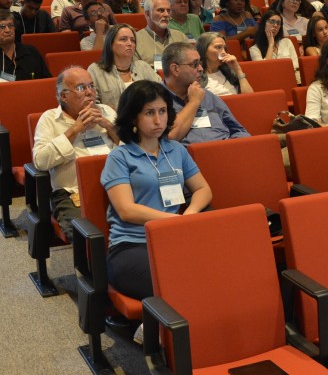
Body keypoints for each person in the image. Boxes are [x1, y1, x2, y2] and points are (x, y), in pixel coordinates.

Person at [101, 80, 212, 300]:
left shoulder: (175, 150)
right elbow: (126, 210)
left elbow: (203, 189)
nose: (158, 120)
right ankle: (153, 331)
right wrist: (174, 221)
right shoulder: (120, 157)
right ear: (133, 117)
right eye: (149, 113)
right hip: (132, 245)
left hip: (173, 238)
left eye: (162, 111)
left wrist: (189, 215)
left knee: (216, 272)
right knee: (175, 283)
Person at [33, 67, 119, 240]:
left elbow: (133, 149)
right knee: (87, 239)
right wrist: (75, 130)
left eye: (91, 86)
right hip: (74, 194)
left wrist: (108, 126)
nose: (90, 93)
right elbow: (40, 161)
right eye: (81, 88)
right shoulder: (49, 120)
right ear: (63, 96)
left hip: (118, 186)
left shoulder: (107, 112)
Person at [162, 42, 250, 144]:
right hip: (193, 157)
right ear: (175, 69)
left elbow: (239, 131)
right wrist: (194, 102)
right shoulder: (157, 101)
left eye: (200, 63)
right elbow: (169, 138)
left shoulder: (207, 95)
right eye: (194, 64)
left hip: (227, 151)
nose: (201, 68)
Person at [88, 24, 161, 110]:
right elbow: (91, 104)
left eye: (133, 40)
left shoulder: (143, 66)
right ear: (110, 44)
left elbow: (161, 93)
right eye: (123, 39)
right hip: (112, 121)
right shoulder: (95, 70)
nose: (130, 43)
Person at [134, 0, 188, 68]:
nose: (166, 14)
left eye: (168, 11)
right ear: (148, 14)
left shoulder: (180, 37)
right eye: (161, 10)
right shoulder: (135, 40)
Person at [249, 9, 300, 84]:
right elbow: (264, 70)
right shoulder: (254, 49)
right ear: (264, 24)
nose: (275, 25)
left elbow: (296, 65)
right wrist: (271, 44)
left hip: (293, 80)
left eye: (278, 23)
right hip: (270, 83)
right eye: (272, 22)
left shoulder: (287, 42)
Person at [0, 9, 51, 80]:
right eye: (2, 27)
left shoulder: (31, 52)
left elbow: (47, 81)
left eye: (10, 25)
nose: (7, 30)